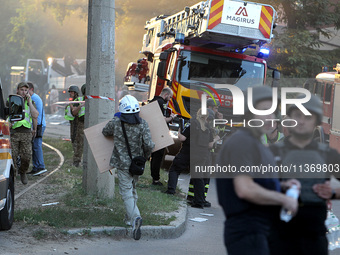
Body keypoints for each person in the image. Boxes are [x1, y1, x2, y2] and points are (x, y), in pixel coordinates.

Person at [216, 86, 299, 255]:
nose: (270, 117)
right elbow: (245, 189)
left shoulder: (256, 143)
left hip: (260, 231)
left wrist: (281, 185)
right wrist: (284, 199)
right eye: (264, 111)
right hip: (248, 233)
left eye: (272, 111)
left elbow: (256, 180)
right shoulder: (243, 142)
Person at [269, 94, 340, 255]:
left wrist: (333, 192)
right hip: (279, 238)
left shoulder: (328, 155)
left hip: (314, 240)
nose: (301, 121)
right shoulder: (273, 153)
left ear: (316, 121)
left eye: (307, 116)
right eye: (297, 115)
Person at [102, 95, 154, 240]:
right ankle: (128, 217)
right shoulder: (143, 124)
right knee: (132, 189)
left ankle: (135, 218)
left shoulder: (116, 122)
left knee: (126, 192)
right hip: (137, 165)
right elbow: (149, 144)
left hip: (122, 164)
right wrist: (146, 156)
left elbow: (105, 132)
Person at [10, 82, 39, 184]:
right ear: (17, 90)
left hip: (26, 132)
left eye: (26, 90)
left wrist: (30, 102)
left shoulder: (30, 102)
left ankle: (23, 172)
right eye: (22, 90)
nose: (24, 92)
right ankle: (12, 178)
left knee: (26, 156)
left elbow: (35, 115)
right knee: (12, 156)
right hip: (14, 132)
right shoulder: (11, 101)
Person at [149, 87, 176, 185]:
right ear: (165, 95)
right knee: (158, 157)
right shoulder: (162, 104)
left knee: (150, 156)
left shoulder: (153, 101)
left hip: (151, 132)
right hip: (159, 134)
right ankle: (155, 179)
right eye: (170, 97)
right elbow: (162, 119)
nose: (170, 99)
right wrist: (171, 117)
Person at [27, 82, 47, 176]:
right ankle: (36, 167)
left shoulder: (33, 98)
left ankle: (41, 166)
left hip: (38, 125)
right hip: (38, 124)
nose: (25, 93)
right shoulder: (35, 97)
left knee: (37, 146)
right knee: (35, 146)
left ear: (31, 89)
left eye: (27, 90)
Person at [64, 85, 84, 167]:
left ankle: (76, 161)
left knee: (77, 141)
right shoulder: (74, 100)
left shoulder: (76, 101)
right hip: (73, 123)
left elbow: (74, 111)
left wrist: (71, 105)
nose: (70, 93)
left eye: (72, 92)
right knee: (74, 140)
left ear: (75, 92)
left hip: (76, 123)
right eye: (70, 92)